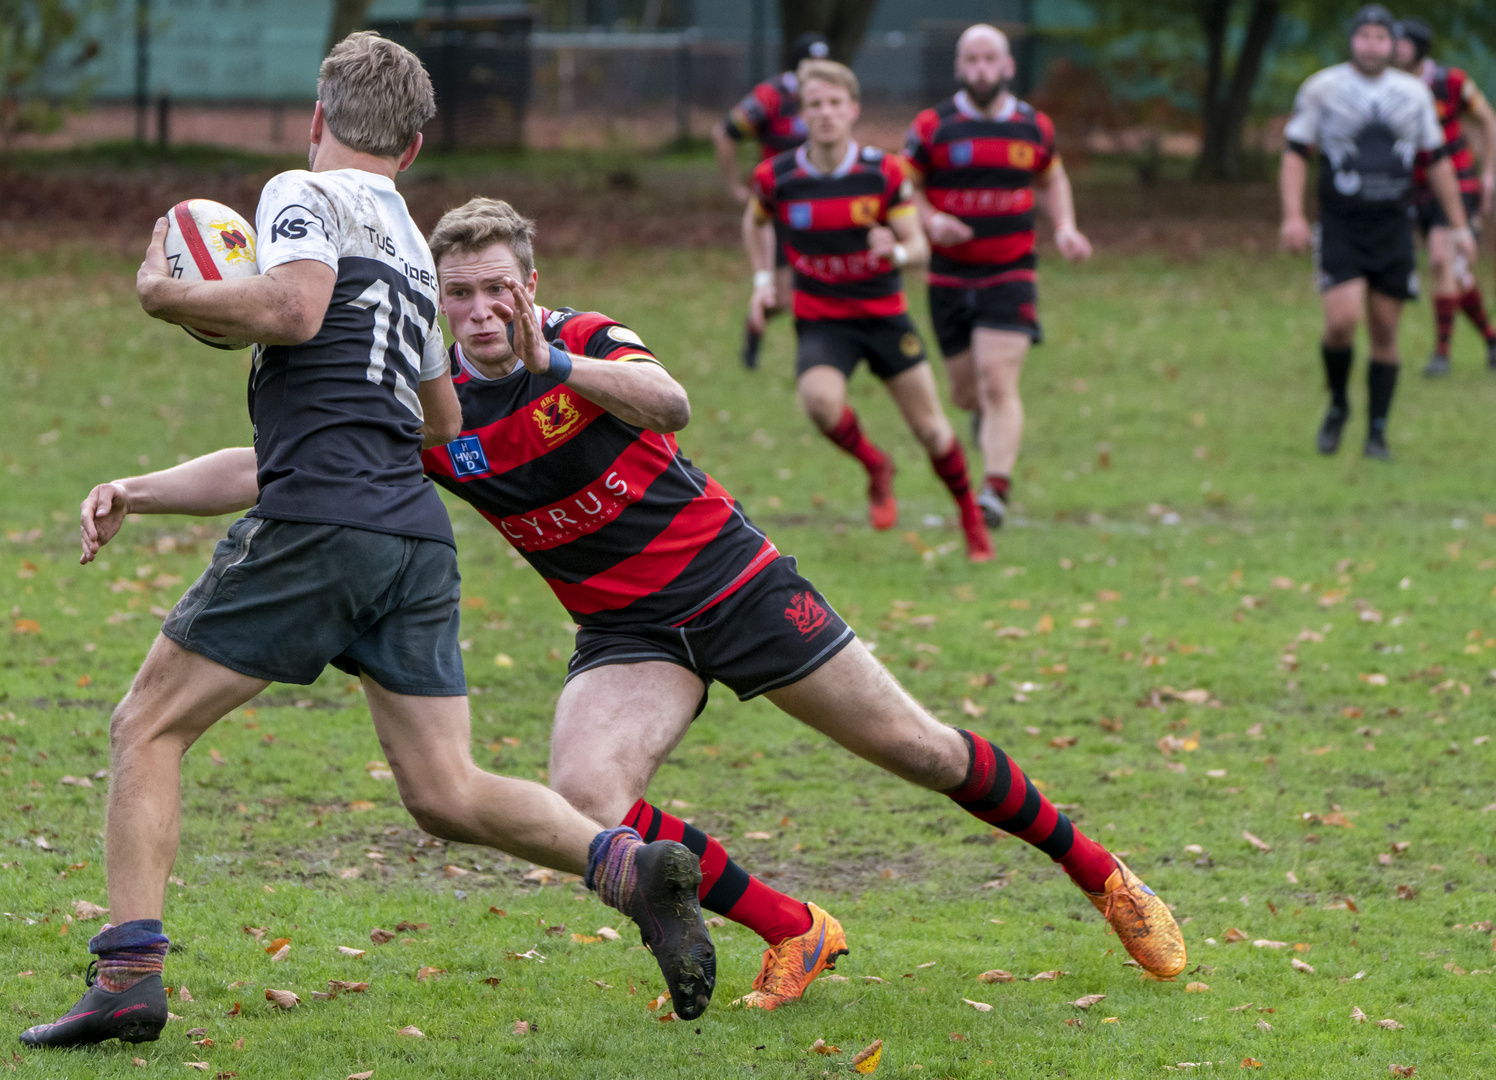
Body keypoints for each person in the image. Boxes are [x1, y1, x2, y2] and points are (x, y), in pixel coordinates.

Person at [79, 196, 1192, 1012]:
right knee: (586, 794)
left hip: (735, 585)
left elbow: (673, 400)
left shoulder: (585, 341)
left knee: (920, 749)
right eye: (454, 292)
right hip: (625, 634)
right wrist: (137, 485)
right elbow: (283, 471)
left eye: (494, 288)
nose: (475, 310)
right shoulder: (434, 407)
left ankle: (1100, 874)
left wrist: (555, 361)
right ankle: (796, 926)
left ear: (529, 281)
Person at [20, 34, 714, 1049]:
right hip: (411, 538)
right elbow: (439, 423)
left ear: (316, 119)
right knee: (446, 791)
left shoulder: (303, 194)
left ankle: (127, 977)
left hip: (319, 524)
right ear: (415, 144)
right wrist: (145, 486)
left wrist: (172, 296)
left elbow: (293, 308)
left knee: (146, 727)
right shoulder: (405, 239)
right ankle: (624, 865)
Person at [743, 58, 995, 562]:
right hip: (822, 319)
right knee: (818, 402)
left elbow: (919, 247)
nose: (826, 113)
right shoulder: (777, 176)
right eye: (815, 105)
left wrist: (895, 251)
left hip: (883, 317)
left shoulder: (883, 173)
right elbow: (755, 223)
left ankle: (971, 516)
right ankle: (876, 466)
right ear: (803, 114)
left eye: (835, 103)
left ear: (853, 109)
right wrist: (764, 282)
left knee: (931, 429)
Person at [903, 23, 1090, 530]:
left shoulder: (1034, 127)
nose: (982, 68)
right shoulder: (933, 127)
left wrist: (1066, 227)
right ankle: (985, 420)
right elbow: (906, 186)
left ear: (1008, 66)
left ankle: (996, 491)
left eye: (991, 59)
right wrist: (930, 220)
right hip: (948, 279)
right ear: (961, 67)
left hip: (1011, 273)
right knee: (967, 393)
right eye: (972, 60)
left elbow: (1053, 177)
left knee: (997, 379)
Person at [1281, 5, 1473, 460]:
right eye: (1363, 36)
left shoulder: (1413, 94)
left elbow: (1439, 159)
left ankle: (1377, 433)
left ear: (1394, 44)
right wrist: (1292, 214)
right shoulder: (1323, 88)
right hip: (1341, 225)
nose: (1372, 44)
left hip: (1393, 227)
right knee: (1342, 323)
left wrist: (1459, 225)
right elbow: (1295, 153)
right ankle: (1339, 405)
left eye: (1380, 37)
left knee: (1386, 329)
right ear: (1353, 41)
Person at [713, 33, 831, 369]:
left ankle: (821, 360)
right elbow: (724, 133)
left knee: (817, 286)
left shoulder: (832, 98)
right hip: (780, 210)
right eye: (813, 65)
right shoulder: (772, 95)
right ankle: (757, 326)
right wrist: (734, 186)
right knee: (782, 297)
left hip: (823, 206)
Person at [1394, 18, 1496, 376]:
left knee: (1440, 259)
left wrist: (1489, 174)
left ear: (1418, 47)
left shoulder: (1450, 81)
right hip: (1417, 188)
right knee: (1457, 274)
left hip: (1458, 184)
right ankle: (1491, 339)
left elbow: (1488, 120)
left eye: (1400, 41)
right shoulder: (1390, 86)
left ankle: (1441, 354)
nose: (1393, 47)